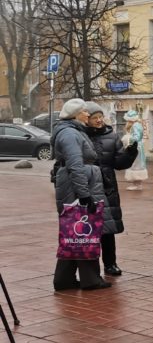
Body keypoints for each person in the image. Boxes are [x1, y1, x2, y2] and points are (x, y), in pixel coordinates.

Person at [51, 99, 114, 291]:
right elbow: (75, 166)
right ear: (76, 114)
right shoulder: (70, 133)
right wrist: (84, 195)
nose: (88, 114)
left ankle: (64, 279)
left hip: (75, 185)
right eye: (85, 112)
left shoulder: (73, 131)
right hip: (76, 186)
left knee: (72, 231)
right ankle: (90, 279)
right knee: (83, 231)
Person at [83, 102, 138, 277]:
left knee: (107, 229)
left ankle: (110, 264)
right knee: (86, 228)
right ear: (86, 119)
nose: (99, 120)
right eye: (94, 118)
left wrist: (130, 153)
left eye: (100, 117)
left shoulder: (111, 136)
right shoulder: (80, 136)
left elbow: (119, 164)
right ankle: (88, 268)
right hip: (87, 185)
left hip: (107, 187)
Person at [123, 110, 148, 190]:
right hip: (138, 147)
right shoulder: (137, 124)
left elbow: (136, 137)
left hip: (136, 147)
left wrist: (128, 138)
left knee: (135, 165)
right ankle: (137, 184)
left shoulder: (135, 125)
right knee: (137, 164)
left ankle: (137, 185)